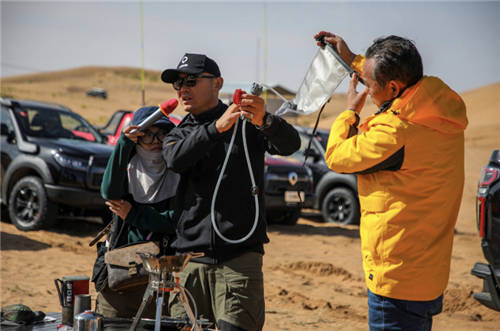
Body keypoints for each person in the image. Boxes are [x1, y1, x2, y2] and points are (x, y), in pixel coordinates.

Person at [315, 31, 468, 330]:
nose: (366, 92)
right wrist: (353, 60)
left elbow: (336, 156)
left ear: (394, 87)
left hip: (396, 281)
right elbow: (387, 79)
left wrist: (349, 112)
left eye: (369, 86)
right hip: (427, 276)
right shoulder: (437, 106)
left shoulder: (395, 133)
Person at [160, 53, 300, 331]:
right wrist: (215, 129)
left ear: (217, 83)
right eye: (177, 85)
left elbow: (290, 144)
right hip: (189, 261)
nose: (183, 89)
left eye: (190, 81)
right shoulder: (179, 132)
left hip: (239, 259)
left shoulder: (248, 123)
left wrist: (266, 120)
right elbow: (175, 160)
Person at [92, 106, 179, 318]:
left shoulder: (178, 171)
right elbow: (109, 191)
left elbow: (177, 221)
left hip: (163, 277)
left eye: (162, 134)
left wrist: (134, 215)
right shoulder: (127, 167)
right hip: (123, 274)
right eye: (148, 135)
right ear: (137, 139)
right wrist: (123, 143)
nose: (156, 141)